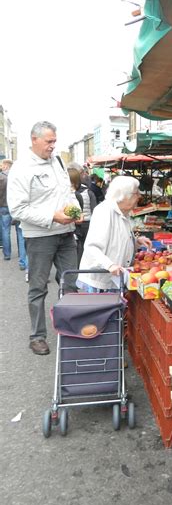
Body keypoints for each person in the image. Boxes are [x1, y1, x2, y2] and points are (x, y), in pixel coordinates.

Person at [7, 121, 82, 355]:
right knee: (38, 287)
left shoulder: (57, 161)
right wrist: (52, 217)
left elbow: (66, 193)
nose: (52, 146)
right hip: (40, 236)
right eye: (49, 141)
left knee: (70, 282)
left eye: (54, 141)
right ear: (34, 139)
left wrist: (75, 209)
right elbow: (17, 209)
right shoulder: (21, 168)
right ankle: (37, 336)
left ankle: (71, 328)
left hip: (65, 234)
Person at [79, 177, 151, 292]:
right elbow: (91, 247)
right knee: (103, 310)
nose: (139, 196)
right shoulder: (104, 212)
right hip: (101, 282)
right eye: (136, 193)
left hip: (114, 279)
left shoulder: (123, 212)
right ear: (124, 195)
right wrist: (110, 265)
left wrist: (136, 242)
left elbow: (118, 241)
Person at [68, 167, 97, 265]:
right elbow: (94, 210)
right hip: (86, 224)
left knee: (77, 249)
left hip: (73, 225)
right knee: (85, 248)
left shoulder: (65, 194)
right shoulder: (88, 192)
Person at [0, 159, 13, 261]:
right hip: (15, 206)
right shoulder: (16, 176)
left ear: (5, 166)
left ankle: (7, 254)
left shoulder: (1, 177)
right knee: (20, 232)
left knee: (5, 230)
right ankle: (23, 258)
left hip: (3, 206)